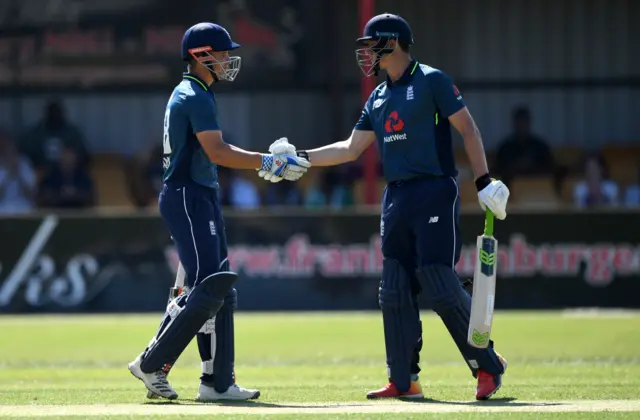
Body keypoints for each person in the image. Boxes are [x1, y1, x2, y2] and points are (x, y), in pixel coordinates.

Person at [258, 13, 509, 401]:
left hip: (434, 189)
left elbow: (468, 129)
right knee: (393, 287)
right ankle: (404, 379)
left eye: (371, 44)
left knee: (439, 283)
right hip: (397, 197)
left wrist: (483, 180)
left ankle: (488, 365)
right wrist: (300, 158)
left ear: (392, 42)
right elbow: (349, 148)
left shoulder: (432, 81)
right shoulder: (376, 96)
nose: (366, 53)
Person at [127, 22, 310, 401]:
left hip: (198, 196)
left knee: (218, 288)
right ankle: (151, 362)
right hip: (188, 196)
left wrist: (262, 163)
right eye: (223, 53)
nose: (229, 59)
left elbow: (215, 151)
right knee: (209, 287)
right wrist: (267, 163)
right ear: (201, 56)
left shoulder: (197, 92)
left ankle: (217, 382)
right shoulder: (193, 94)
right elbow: (218, 152)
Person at [494, 106, 554, 188]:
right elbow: (498, 173)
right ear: (514, 123)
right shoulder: (505, 148)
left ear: (529, 122)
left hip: (538, 190)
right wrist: (516, 166)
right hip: (511, 193)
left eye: (524, 121)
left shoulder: (540, 147)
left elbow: (550, 170)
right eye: (519, 121)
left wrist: (531, 166)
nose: (522, 124)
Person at [0, 130, 37, 215]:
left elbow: (31, 193)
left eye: (10, 147)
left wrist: (18, 173)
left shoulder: (25, 163)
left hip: (23, 207)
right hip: (2, 208)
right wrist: (8, 173)